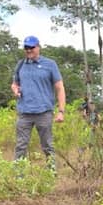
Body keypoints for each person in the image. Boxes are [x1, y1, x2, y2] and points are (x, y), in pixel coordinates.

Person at [11, 36, 66, 168]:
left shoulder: (50, 64)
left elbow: (59, 88)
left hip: (44, 112)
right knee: (20, 146)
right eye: (26, 48)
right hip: (24, 112)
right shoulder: (20, 65)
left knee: (47, 146)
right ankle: (19, 176)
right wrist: (15, 89)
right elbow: (14, 83)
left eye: (31, 47)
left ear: (38, 47)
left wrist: (61, 111)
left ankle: (51, 173)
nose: (28, 50)